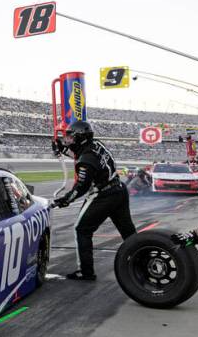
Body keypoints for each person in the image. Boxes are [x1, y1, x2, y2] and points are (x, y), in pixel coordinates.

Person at [52, 120, 136, 281]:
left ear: (81, 137)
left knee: (81, 229)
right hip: (118, 189)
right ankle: (142, 257)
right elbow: (81, 154)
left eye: (71, 137)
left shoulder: (86, 159)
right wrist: (62, 149)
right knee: (128, 232)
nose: (68, 140)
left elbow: (82, 186)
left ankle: (86, 271)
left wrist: (66, 199)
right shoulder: (95, 145)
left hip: (104, 195)